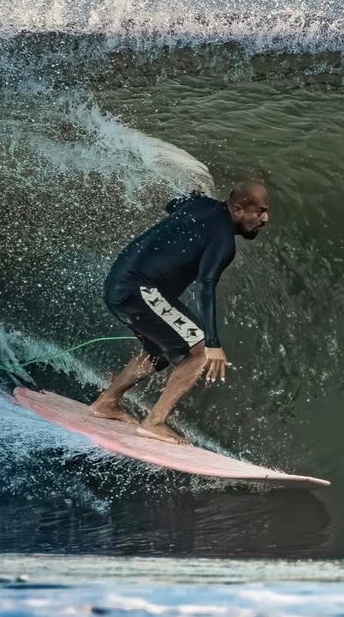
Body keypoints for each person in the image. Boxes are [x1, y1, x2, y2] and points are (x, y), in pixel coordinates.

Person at [90, 179, 270, 443]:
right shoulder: (223, 241)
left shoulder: (198, 204)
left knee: (160, 351)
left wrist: (195, 196)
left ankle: (107, 402)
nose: (265, 218)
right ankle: (154, 422)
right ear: (239, 209)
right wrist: (212, 342)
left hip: (120, 283)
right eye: (260, 211)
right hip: (139, 289)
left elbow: (173, 203)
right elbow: (206, 285)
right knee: (199, 353)